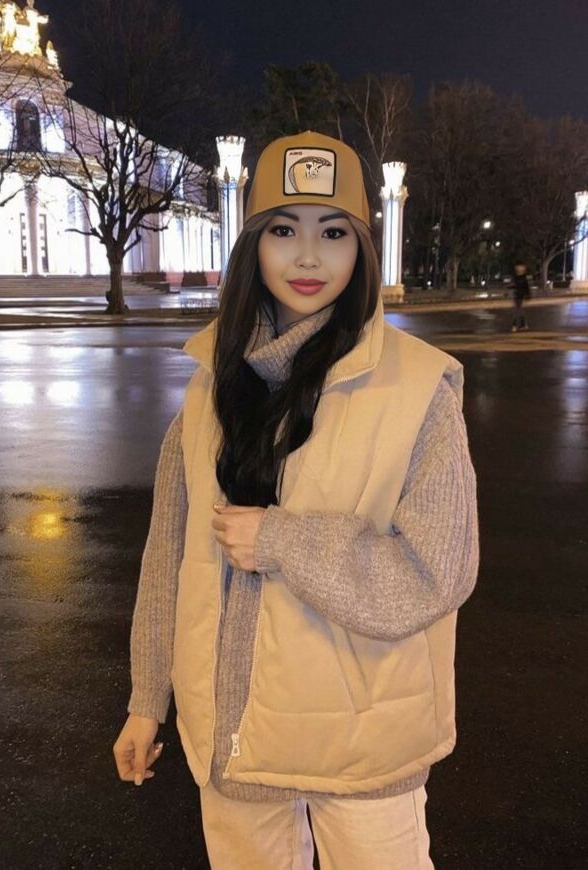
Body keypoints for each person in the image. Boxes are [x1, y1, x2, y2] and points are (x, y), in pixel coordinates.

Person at [113, 131, 479, 869]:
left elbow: (437, 573)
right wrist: (147, 699)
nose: (308, 257)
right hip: (231, 737)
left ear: (362, 249)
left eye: (333, 233)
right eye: (283, 230)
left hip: (363, 746)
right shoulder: (210, 388)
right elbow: (168, 555)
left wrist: (283, 541)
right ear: (253, 244)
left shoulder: (419, 389)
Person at [510, 262, 531, 332]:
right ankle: (523, 324)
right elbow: (514, 285)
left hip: (520, 295)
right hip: (516, 295)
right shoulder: (516, 277)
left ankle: (515, 325)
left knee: (517, 310)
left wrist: (528, 295)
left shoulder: (523, 278)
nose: (518, 269)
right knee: (519, 310)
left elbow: (526, 287)